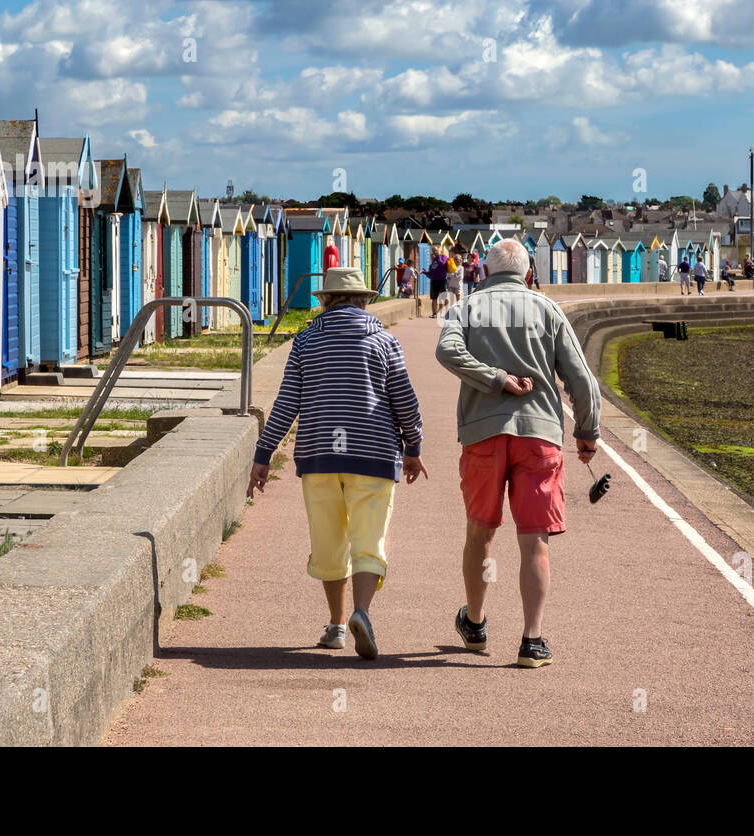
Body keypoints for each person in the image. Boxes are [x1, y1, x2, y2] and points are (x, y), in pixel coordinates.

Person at [435, 239, 601, 669]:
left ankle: (474, 623)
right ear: (528, 273)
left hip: (483, 433)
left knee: (480, 532)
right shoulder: (547, 309)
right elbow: (581, 380)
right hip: (539, 435)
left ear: (484, 273)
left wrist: (493, 379)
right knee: (535, 542)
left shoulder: (467, 307)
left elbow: (446, 350)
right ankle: (532, 640)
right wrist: (586, 432)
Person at [247, 267, 427, 660]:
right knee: (369, 541)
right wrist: (412, 447)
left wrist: (263, 455)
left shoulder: (306, 341)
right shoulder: (384, 342)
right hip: (374, 454)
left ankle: (336, 626)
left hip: (318, 457)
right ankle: (361, 612)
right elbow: (405, 403)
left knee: (329, 545)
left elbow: (286, 404)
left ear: (324, 300)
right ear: (364, 301)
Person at [426, 244, 449, 317]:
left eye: (436, 250)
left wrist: (438, 256)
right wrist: (424, 272)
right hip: (434, 280)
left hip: (442, 280)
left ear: (439, 250)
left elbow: (442, 264)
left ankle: (444, 312)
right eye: (433, 250)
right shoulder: (433, 260)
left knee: (444, 298)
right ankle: (434, 313)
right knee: (434, 298)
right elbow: (431, 273)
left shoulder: (444, 257)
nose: (434, 251)